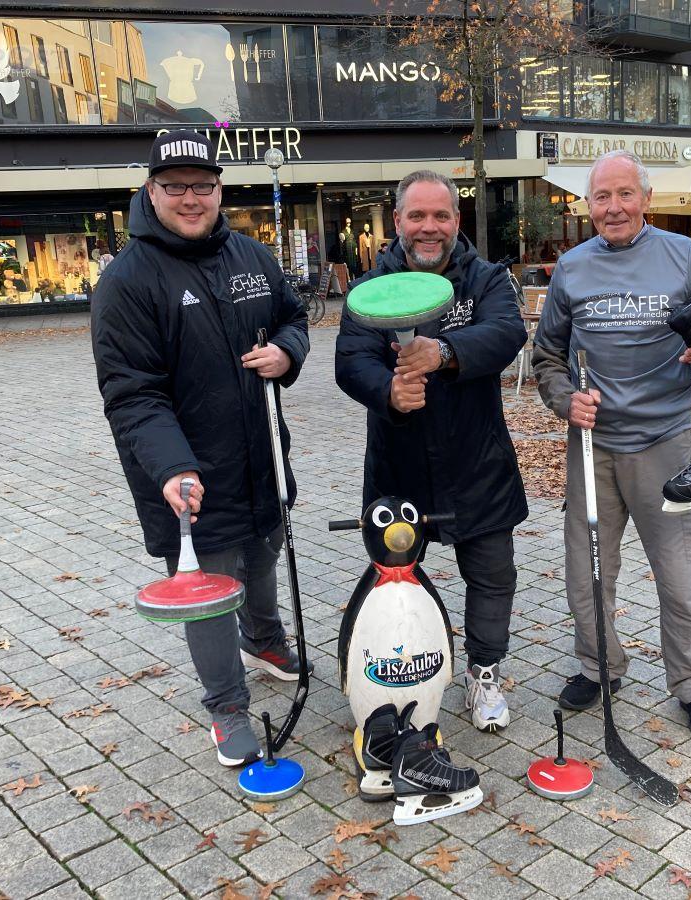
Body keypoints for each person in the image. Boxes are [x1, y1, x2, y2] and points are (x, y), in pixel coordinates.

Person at [91, 130, 311, 768]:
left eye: (204, 186)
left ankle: (265, 641)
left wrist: (287, 352)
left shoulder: (250, 255)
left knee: (264, 548)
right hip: (188, 472)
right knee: (209, 586)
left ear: (220, 189)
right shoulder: (127, 281)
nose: (192, 198)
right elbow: (132, 394)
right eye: (176, 187)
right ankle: (226, 706)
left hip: (260, 458)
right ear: (152, 191)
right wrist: (172, 465)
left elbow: (293, 314)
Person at [532, 149, 691, 741]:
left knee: (677, 573)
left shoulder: (682, 255)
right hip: (591, 444)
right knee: (587, 572)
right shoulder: (570, 267)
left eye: (625, 194)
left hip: (667, 439)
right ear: (588, 204)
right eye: (602, 197)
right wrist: (563, 398)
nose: (613, 207)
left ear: (645, 199)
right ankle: (599, 668)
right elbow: (547, 356)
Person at [335, 170, 528, 733]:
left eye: (440, 216)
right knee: (396, 578)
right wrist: (389, 390)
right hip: (400, 465)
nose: (428, 227)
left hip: (478, 460)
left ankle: (484, 673)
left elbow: (506, 333)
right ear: (397, 221)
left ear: (456, 221)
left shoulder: (488, 278)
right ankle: (397, 672)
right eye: (416, 216)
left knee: (492, 576)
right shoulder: (372, 288)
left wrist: (442, 352)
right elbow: (351, 358)